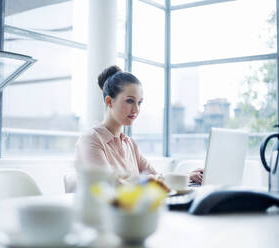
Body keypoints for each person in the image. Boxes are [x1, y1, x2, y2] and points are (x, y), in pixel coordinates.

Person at [75, 65, 203, 184]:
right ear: (109, 101)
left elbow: (156, 177)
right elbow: (110, 187)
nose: (136, 110)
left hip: (133, 207)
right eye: (130, 101)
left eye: (139, 102)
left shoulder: (129, 144)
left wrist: (186, 177)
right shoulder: (91, 140)